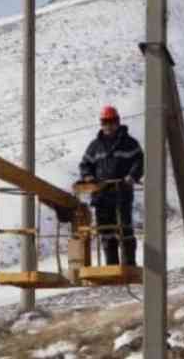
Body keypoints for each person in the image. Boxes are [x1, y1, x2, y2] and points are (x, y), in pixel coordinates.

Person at [78, 105, 143, 266]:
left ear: (118, 122)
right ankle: (111, 265)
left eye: (111, 121)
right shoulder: (95, 146)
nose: (108, 125)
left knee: (124, 228)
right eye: (105, 122)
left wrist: (132, 176)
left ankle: (129, 264)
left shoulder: (129, 144)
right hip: (101, 195)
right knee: (106, 231)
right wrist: (87, 176)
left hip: (121, 193)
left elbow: (140, 161)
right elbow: (85, 164)